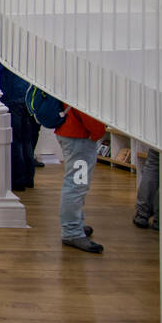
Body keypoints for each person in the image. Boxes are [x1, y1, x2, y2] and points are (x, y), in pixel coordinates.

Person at [56, 103, 106, 253]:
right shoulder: (81, 85)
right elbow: (84, 109)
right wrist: (98, 131)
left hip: (72, 133)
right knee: (76, 185)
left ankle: (74, 225)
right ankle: (72, 231)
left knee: (76, 184)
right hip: (79, 137)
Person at [0, 63, 37, 191]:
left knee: (15, 141)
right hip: (25, 99)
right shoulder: (21, 55)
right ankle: (28, 178)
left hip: (11, 98)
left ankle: (17, 180)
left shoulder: (3, 58)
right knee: (26, 141)